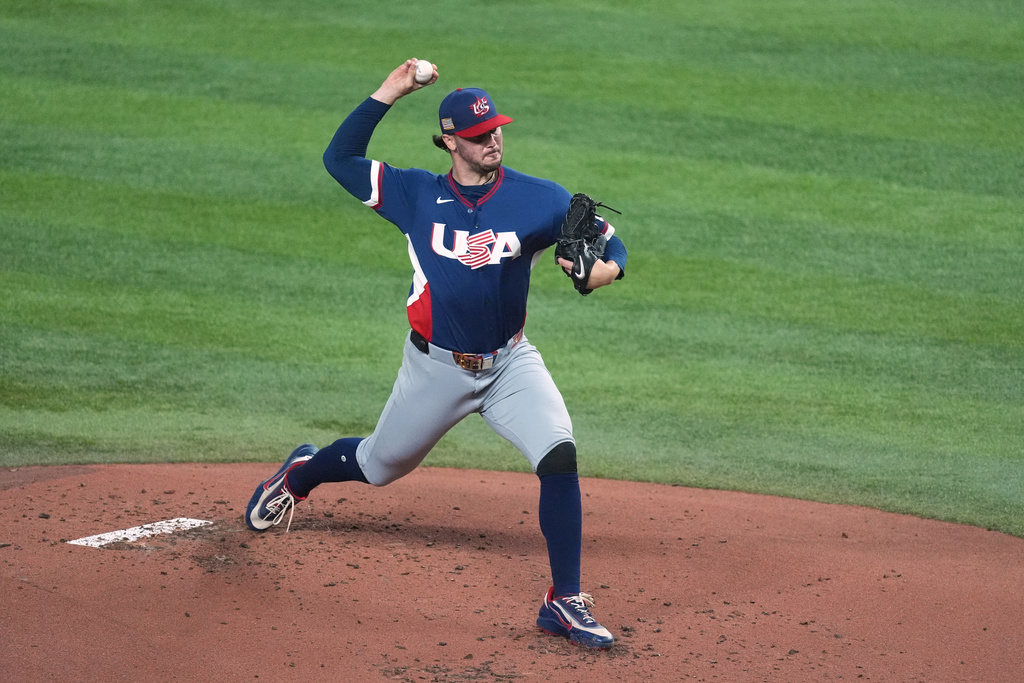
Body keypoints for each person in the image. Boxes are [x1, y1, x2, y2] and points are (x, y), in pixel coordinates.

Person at [245, 59, 627, 650]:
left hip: (508, 365)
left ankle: (564, 599)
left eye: (496, 129)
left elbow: (607, 240)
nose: (492, 139)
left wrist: (603, 272)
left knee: (559, 452)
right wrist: (390, 91)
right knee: (378, 465)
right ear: (450, 141)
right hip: (436, 367)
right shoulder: (413, 194)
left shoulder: (539, 200)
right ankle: (300, 473)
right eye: (478, 135)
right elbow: (338, 161)